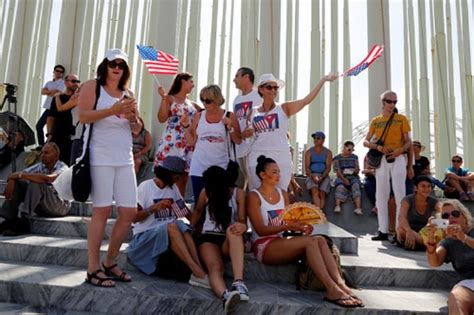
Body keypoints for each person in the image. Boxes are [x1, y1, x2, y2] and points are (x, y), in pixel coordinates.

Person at [247, 155, 363, 308]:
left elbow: (288, 220)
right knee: (311, 242)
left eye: (279, 172)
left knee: (320, 239)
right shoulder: (254, 196)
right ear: (263, 174)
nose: (278, 175)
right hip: (264, 245)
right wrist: (287, 227)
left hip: (281, 241)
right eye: (274, 172)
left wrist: (300, 226)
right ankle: (331, 288)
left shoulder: (283, 194)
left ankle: (341, 284)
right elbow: (261, 230)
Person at [79, 48, 142, 287]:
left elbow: (137, 129)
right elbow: (83, 116)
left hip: (124, 157)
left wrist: (132, 117)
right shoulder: (91, 87)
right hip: (99, 156)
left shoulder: (128, 93)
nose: (117, 67)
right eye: (113, 63)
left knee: (129, 213)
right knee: (102, 212)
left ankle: (110, 261)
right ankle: (92, 267)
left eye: (122, 64)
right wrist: (113, 110)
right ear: (105, 65)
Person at [242, 73, 337, 192]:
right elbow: (246, 132)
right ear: (261, 89)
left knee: (280, 192)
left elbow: (305, 101)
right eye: (269, 87)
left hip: (280, 154)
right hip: (257, 154)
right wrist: (247, 132)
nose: (273, 90)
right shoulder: (253, 112)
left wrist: (323, 80)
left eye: (275, 87)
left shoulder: (283, 108)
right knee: (256, 192)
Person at [127, 156, 209, 286]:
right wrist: (152, 208)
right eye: (177, 177)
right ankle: (197, 271)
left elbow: (185, 214)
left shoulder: (173, 190)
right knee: (172, 225)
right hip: (145, 238)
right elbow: (133, 217)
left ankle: (199, 270)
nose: (178, 180)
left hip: (167, 234)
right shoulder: (145, 187)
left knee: (181, 224)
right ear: (169, 174)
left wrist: (202, 221)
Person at [191, 165, 248, 313]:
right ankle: (225, 296)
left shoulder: (237, 193)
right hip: (208, 238)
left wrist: (243, 226)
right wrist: (190, 229)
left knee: (233, 229)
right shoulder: (206, 193)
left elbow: (242, 219)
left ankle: (238, 282)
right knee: (215, 268)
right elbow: (197, 211)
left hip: (228, 239)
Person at [363, 91, 412, 241]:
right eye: (389, 101)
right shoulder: (376, 120)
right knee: (381, 194)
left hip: (397, 158)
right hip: (382, 159)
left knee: (399, 193)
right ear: (383, 102)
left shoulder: (401, 119)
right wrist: (377, 147)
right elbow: (366, 142)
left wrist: (400, 151)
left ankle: (399, 231)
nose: (392, 104)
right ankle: (382, 230)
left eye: (395, 102)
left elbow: (408, 141)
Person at [183, 84, 241, 204]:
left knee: (219, 204)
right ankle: (199, 223)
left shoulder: (229, 116)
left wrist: (230, 127)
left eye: (208, 100)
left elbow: (238, 140)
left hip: (220, 167)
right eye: (202, 99)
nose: (204, 103)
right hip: (199, 166)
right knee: (199, 203)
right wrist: (185, 126)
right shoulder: (199, 116)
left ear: (217, 100)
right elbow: (192, 142)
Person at [0, 143, 70, 236]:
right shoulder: (40, 166)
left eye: (46, 153)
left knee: (37, 182)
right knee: (19, 183)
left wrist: (20, 175)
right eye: (42, 153)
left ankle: (24, 221)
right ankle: (8, 219)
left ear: (56, 156)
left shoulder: (63, 167)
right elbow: (19, 174)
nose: (43, 155)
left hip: (59, 206)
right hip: (43, 205)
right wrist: (13, 179)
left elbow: (48, 178)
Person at [424, 199, 474, 315]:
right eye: (445, 216)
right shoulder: (448, 242)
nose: (451, 217)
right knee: (456, 298)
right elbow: (434, 262)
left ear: (464, 216)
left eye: (455, 214)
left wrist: (464, 238)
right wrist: (431, 237)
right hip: (469, 284)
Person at [155, 72, 201, 197]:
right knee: (167, 175)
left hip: (187, 142)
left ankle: (178, 209)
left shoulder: (192, 104)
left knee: (183, 177)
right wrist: (163, 99)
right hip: (172, 141)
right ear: (183, 81)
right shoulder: (170, 98)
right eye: (191, 81)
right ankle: (162, 205)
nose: (193, 85)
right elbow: (161, 118)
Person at [232, 67, 262, 189]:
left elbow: (265, 116)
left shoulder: (258, 96)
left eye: (237, 76)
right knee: (247, 180)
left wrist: (253, 129)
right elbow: (236, 122)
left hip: (255, 145)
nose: (234, 80)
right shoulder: (236, 100)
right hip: (240, 146)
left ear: (246, 77)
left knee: (256, 180)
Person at [396, 175, 441, 250]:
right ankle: (426, 244)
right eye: (423, 186)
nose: (426, 189)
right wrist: (409, 231)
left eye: (429, 186)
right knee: (400, 230)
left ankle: (421, 244)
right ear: (416, 188)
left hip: (424, 233)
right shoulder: (407, 200)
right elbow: (401, 217)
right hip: (408, 230)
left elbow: (442, 212)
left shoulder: (434, 201)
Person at [46, 74, 80, 165]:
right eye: (73, 81)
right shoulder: (59, 98)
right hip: (58, 135)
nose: (75, 84)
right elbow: (51, 117)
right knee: (55, 164)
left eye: (77, 81)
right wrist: (49, 134)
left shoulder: (79, 98)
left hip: (72, 136)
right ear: (65, 82)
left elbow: (61, 108)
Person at [37, 65, 65, 146]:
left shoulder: (62, 83)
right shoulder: (49, 82)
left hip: (55, 108)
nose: (58, 73)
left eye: (61, 72)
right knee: (39, 126)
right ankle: (41, 145)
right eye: (57, 71)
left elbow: (57, 93)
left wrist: (48, 91)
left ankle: (48, 145)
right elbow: (42, 91)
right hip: (48, 107)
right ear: (54, 71)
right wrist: (51, 92)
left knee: (51, 129)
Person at [332, 141, 363, 215]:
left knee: (355, 186)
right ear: (344, 148)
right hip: (342, 176)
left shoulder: (355, 157)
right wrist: (344, 179)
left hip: (353, 176)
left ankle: (358, 207)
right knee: (340, 187)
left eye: (352, 150)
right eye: (349, 149)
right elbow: (337, 171)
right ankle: (337, 205)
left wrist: (356, 170)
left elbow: (357, 168)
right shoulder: (337, 158)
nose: (351, 152)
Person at [304, 131, 332, 210]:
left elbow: (328, 167)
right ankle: (319, 212)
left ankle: (320, 211)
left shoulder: (328, 152)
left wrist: (322, 177)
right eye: (315, 138)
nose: (315, 140)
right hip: (312, 174)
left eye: (318, 138)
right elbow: (307, 167)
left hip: (324, 175)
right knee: (315, 191)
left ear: (323, 140)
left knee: (322, 193)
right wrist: (312, 176)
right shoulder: (309, 152)